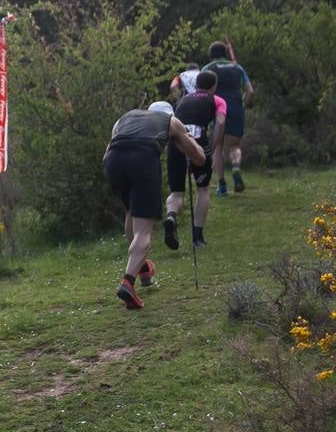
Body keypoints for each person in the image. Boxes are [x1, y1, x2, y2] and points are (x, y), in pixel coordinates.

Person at [102, 102, 206, 309]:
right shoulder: (171, 121)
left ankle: (143, 268)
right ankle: (127, 283)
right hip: (142, 159)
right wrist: (191, 142)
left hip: (112, 162)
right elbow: (199, 158)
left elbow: (109, 148)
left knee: (133, 211)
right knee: (144, 230)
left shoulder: (126, 116)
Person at [163, 70, 227, 251]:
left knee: (177, 192)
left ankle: (171, 217)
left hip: (175, 141)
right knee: (203, 188)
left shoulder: (182, 100)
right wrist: (212, 148)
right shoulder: (217, 100)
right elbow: (220, 123)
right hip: (197, 139)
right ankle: (198, 237)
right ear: (213, 87)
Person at [201, 40, 254, 195]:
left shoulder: (207, 69)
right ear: (225, 53)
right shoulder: (237, 67)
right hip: (236, 108)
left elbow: (202, 93)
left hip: (217, 110)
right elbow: (250, 91)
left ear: (211, 55)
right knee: (234, 147)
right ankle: (236, 167)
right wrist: (244, 104)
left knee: (217, 147)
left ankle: (222, 184)